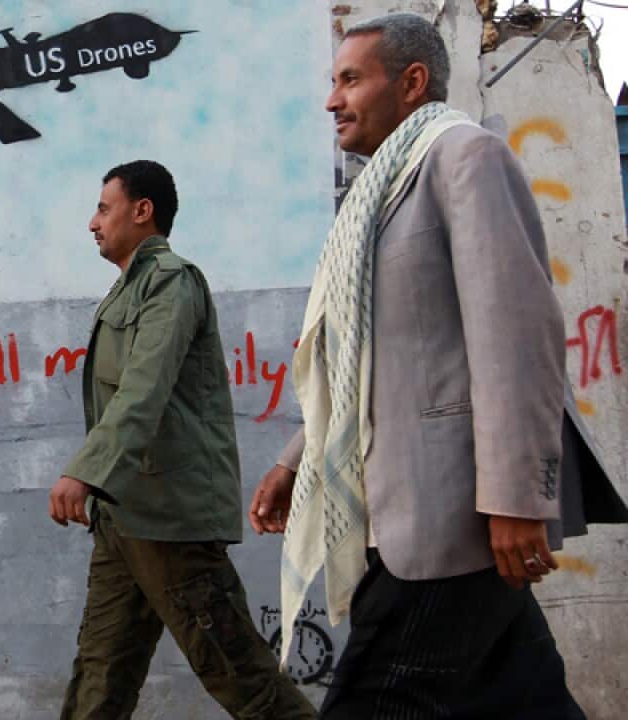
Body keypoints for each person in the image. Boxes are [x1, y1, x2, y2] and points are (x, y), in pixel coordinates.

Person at [249, 13, 624, 718]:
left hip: (450, 520)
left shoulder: (464, 159)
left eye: (350, 80)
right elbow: (375, 360)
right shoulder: (381, 191)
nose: (332, 100)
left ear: (412, 82)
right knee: (525, 702)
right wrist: (296, 459)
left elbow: (517, 339)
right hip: (410, 512)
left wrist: (516, 501)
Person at [51, 160, 315, 719]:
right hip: (124, 518)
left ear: (142, 211)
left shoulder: (170, 281)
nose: (93, 223)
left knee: (243, 679)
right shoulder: (129, 288)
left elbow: (142, 389)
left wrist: (86, 470)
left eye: (104, 208)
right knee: (100, 679)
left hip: (170, 522)